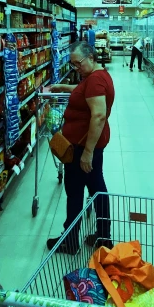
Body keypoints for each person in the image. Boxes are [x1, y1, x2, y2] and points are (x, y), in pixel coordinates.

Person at [47, 41, 114, 254]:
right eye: (73, 65)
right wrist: (63, 88)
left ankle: (71, 241)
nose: (76, 68)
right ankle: (103, 236)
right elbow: (83, 92)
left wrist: (87, 152)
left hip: (82, 148)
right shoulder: (96, 76)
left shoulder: (94, 81)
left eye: (78, 64)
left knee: (75, 192)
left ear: (91, 57)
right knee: (96, 189)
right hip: (87, 146)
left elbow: (99, 115)